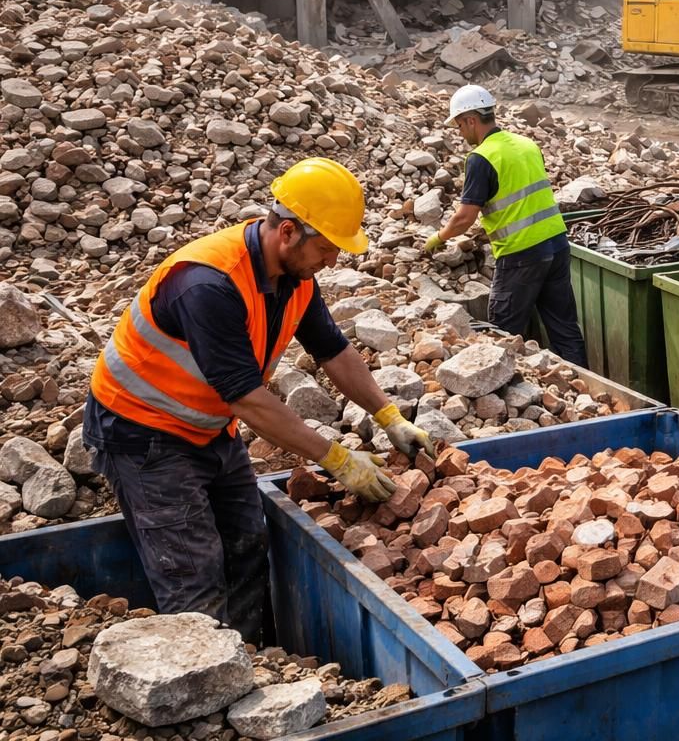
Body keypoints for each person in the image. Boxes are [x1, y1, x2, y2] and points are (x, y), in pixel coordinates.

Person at [83, 157, 436, 641]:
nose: (333, 260)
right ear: (289, 232)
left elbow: (332, 350)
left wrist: (390, 415)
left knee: (247, 543)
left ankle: (251, 661)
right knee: (194, 574)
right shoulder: (208, 283)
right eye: (328, 248)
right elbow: (247, 398)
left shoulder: (295, 278)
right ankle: (203, 688)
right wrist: (336, 459)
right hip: (144, 435)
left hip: (207, 425)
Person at [426, 85, 588, 365]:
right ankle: (588, 394)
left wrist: (438, 238)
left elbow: (465, 217)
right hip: (557, 244)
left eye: (459, 126)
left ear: (471, 120)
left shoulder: (481, 157)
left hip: (521, 253)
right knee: (565, 329)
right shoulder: (526, 144)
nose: (460, 133)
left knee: (503, 332)